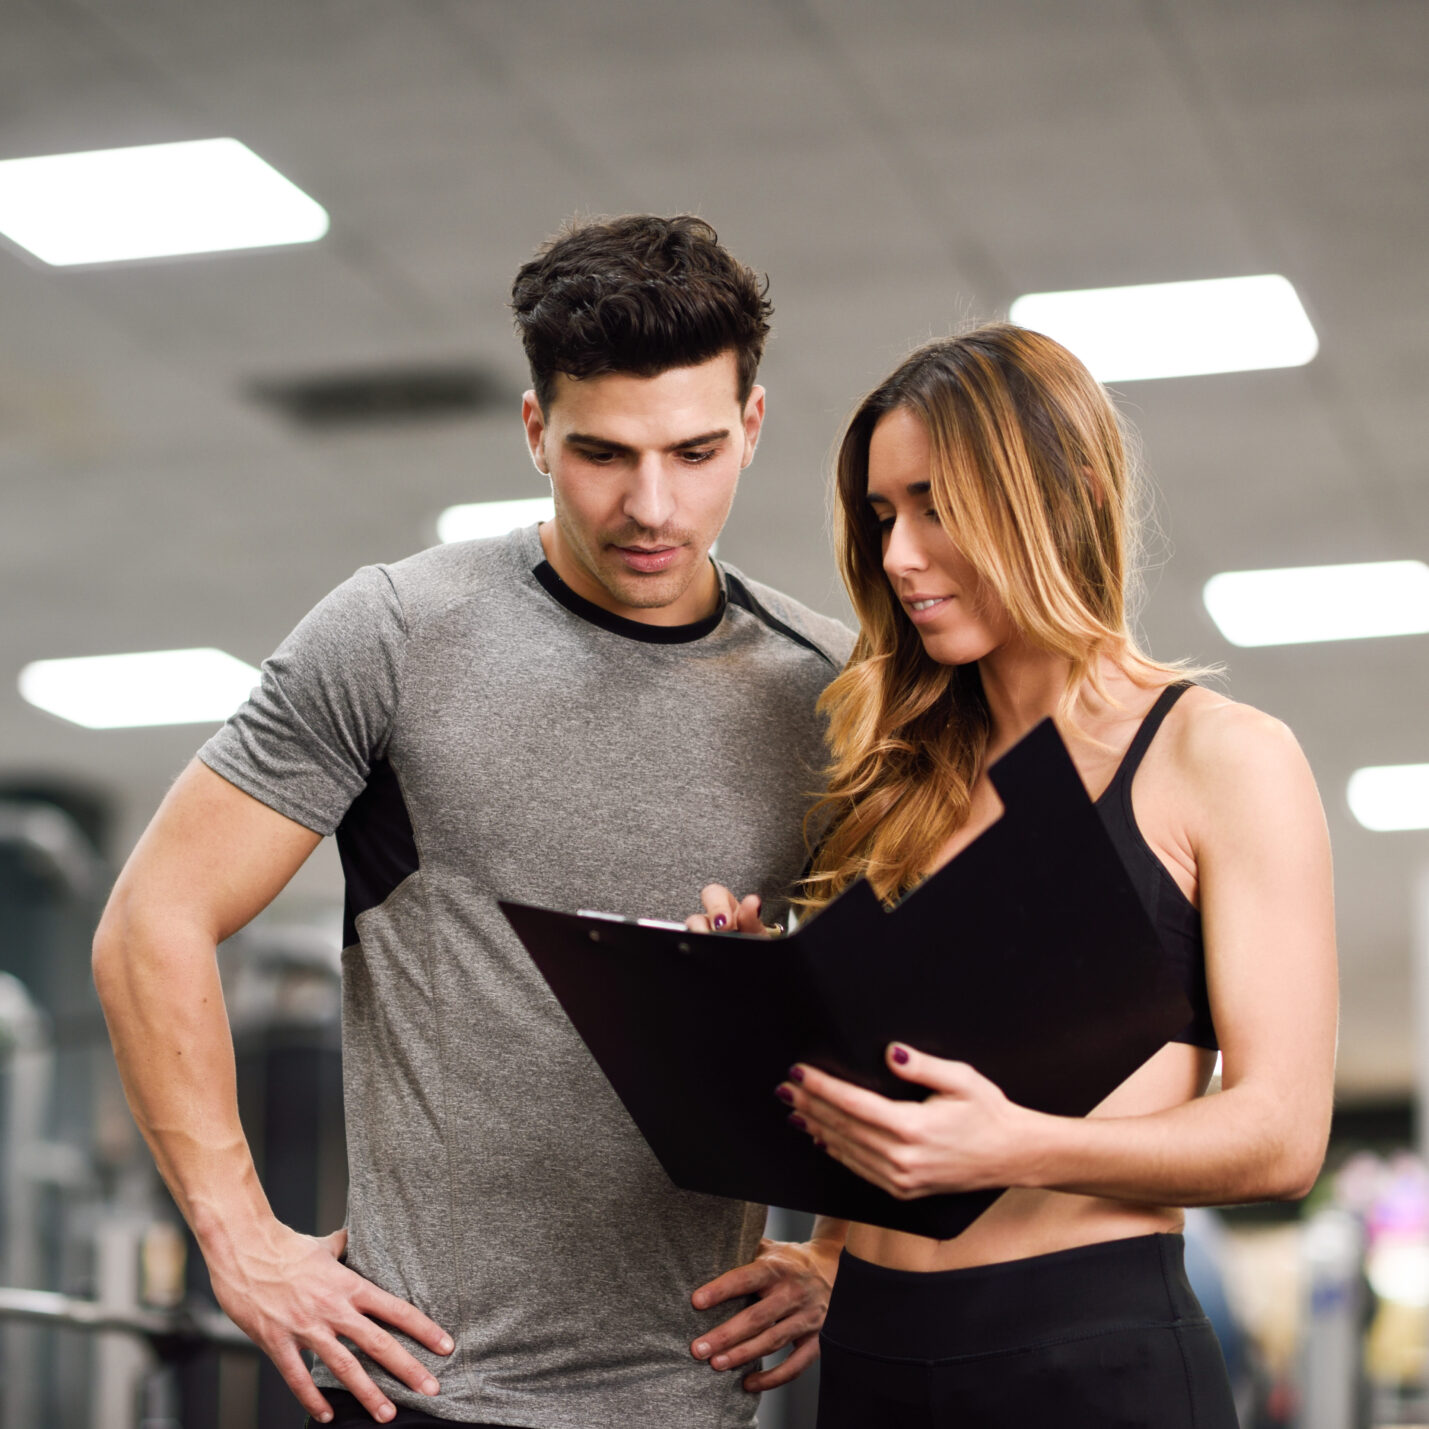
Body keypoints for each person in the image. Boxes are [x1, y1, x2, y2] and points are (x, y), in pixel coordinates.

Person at [91, 214, 853, 1428]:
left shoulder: (830, 687)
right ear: (535, 430)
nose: (652, 504)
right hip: (425, 1392)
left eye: (695, 451)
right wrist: (237, 1240)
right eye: (603, 453)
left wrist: (836, 1254)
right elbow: (152, 921)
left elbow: (914, 994)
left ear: (752, 430)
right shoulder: (395, 634)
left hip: (697, 1400)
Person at [693, 324, 1337, 1427]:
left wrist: (1018, 1144)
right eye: (885, 514)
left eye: (937, 503)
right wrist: (763, 1009)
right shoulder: (886, 780)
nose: (898, 554)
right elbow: (888, 1107)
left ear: (1071, 495)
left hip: (1091, 1356)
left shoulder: (1216, 758)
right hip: (875, 1360)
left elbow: (1281, 1135)